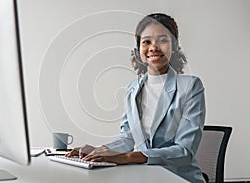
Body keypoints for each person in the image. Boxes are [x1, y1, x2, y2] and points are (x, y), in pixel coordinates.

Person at [67, 13, 206, 183]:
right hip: (144, 176)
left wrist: (129, 157)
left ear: (174, 46)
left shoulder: (190, 86)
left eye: (162, 40)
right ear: (138, 49)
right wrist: (99, 150)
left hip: (179, 178)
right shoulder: (132, 89)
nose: (153, 47)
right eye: (146, 41)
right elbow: (127, 138)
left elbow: (184, 151)